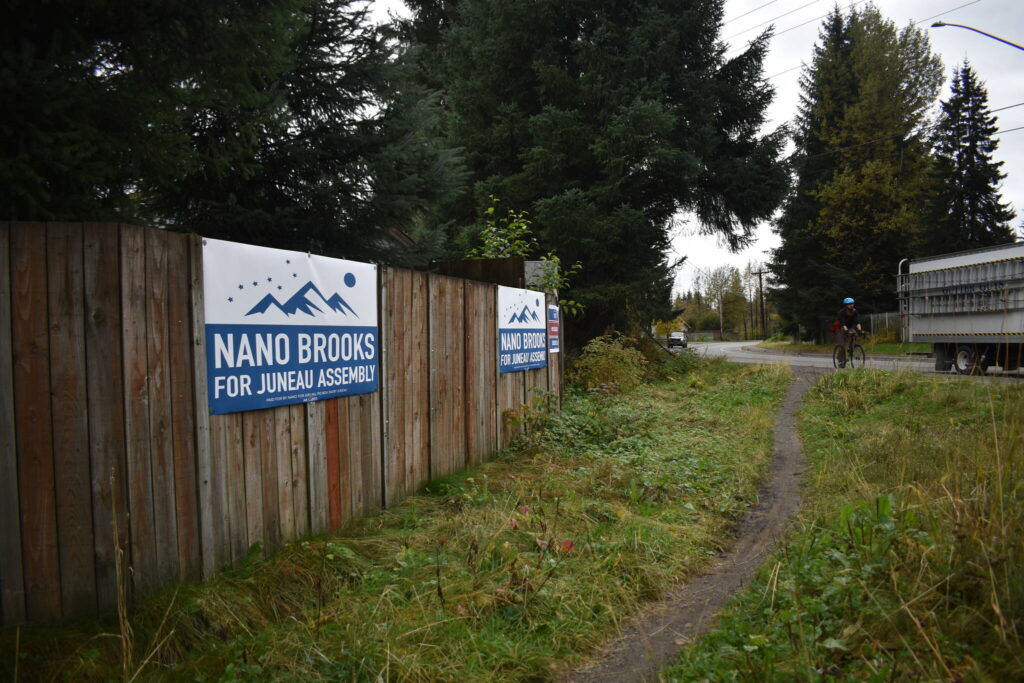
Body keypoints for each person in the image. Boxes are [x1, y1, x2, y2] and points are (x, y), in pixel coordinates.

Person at [835, 297, 862, 367]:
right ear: (846, 305)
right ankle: (840, 359)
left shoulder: (855, 311)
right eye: (849, 304)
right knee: (842, 345)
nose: (851, 305)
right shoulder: (842, 312)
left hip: (849, 327)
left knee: (855, 334)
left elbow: (857, 321)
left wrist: (860, 330)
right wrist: (846, 331)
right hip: (840, 328)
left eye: (852, 303)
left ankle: (851, 348)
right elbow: (843, 323)